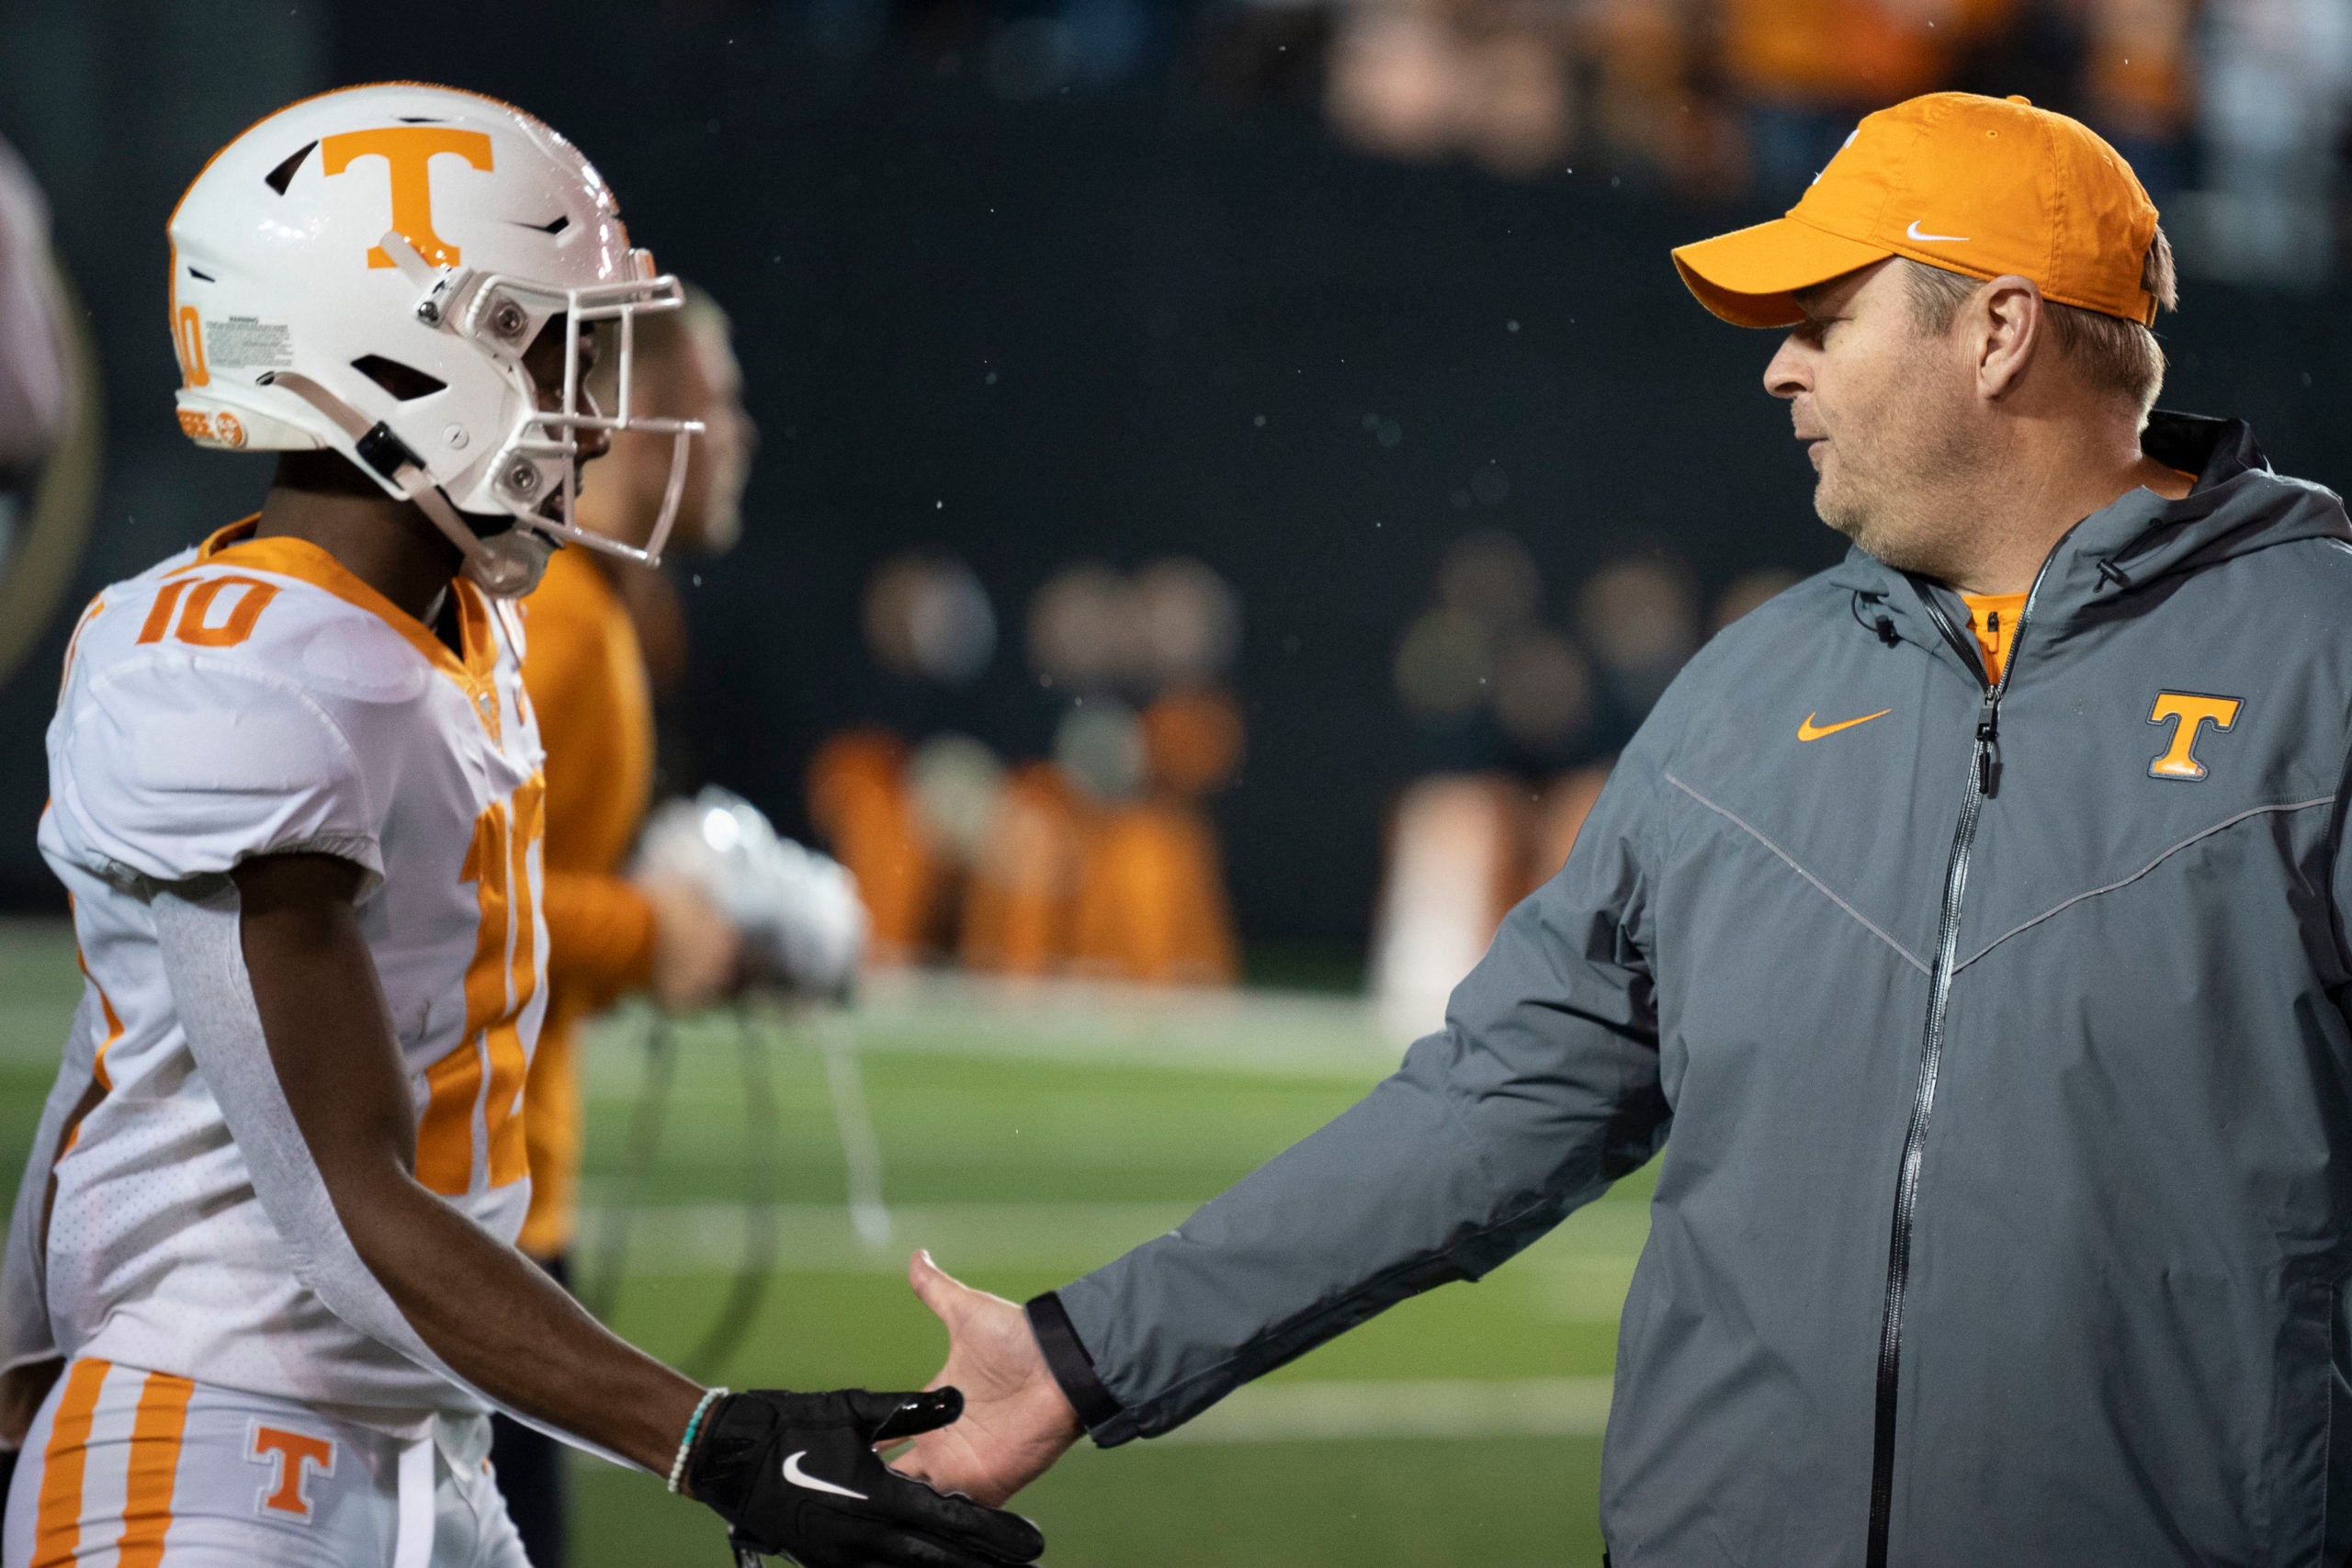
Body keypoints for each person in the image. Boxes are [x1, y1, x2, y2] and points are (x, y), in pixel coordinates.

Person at [893, 91, 2352, 1566]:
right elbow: (1490, 1106)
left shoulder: (2326, 669)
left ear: (1997, 330)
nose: (1779, 369)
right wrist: (1080, 1358)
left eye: (1823, 316)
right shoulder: (1745, 696)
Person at [0, 83, 1040, 1568]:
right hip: (217, 1449)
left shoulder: (454, 623)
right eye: (552, 344)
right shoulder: (241, 662)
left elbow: (102, 1061)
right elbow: (338, 1196)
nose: (594, 404)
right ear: (397, 344)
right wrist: (712, 1438)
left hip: (428, 1446)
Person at [489, 284, 754, 1568]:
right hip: (475, 1198)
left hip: (495, 1175)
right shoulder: (563, 617)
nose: (741, 434)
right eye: (721, 400)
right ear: (637, 422)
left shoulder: (588, 605)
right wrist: (652, 935)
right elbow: (452, 894)